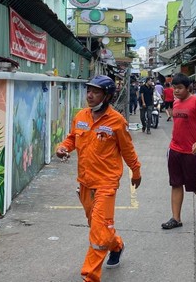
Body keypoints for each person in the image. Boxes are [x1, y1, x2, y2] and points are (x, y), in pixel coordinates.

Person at [56, 75, 142, 282]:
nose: (90, 95)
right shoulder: (81, 116)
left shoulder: (117, 121)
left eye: (95, 92)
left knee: (98, 229)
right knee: (96, 225)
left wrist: (136, 171)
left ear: (107, 96)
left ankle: (90, 276)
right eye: (88, 91)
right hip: (85, 181)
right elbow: (72, 138)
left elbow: (127, 149)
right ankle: (117, 245)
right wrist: (63, 148)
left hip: (106, 183)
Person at [162, 73, 196, 229]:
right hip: (174, 149)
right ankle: (176, 219)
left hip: (191, 151)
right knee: (176, 183)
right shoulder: (176, 102)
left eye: (179, 88)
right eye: (174, 88)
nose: (176, 91)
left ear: (188, 88)